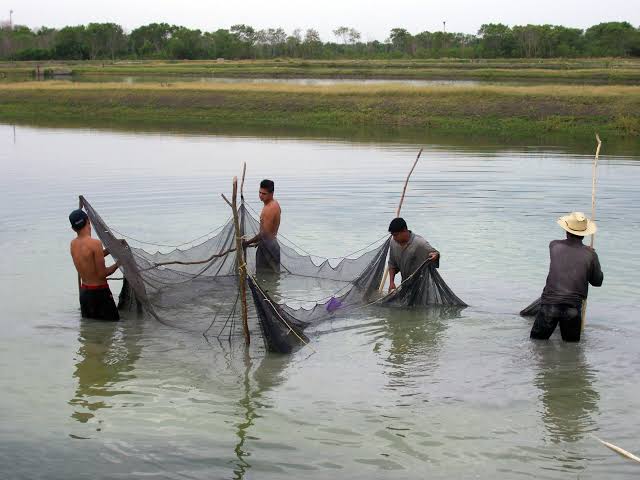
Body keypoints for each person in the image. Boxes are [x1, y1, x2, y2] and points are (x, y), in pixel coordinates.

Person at [530, 212, 604, 342]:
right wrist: (592, 256)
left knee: (536, 344)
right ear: (584, 234)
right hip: (572, 310)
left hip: (549, 306)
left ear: (566, 230)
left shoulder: (554, 245)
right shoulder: (590, 254)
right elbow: (597, 282)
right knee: (572, 349)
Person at [69, 209, 121, 321]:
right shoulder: (95, 243)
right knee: (111, 329)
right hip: (100, 294)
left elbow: (90, 257)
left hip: (84, 295)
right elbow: (103, 274)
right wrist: (120, 262)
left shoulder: (73, 244)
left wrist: (111, 249)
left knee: (90, 331)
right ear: (88, 221)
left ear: (73, 228)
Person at [387, 217, 440, 292]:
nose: (394, 238)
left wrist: (435, 255)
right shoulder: (393, 243)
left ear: (404, 231)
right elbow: (392, 264)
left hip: (422, 287)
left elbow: (435, 253)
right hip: (405, 285)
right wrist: (391, 282)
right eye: (392, 235)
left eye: (396, 235)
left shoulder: (420, 243)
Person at [242, 179, 281, 272]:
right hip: (270, 244)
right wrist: (258, 242)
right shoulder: (274, 204)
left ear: (271, 193)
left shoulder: (269, 209)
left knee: (263, 276)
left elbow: (264, 234)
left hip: (268, 248)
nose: (260, 195)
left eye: (264, 194)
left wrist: (247, 243)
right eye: (260, 192)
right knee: (271, 277)